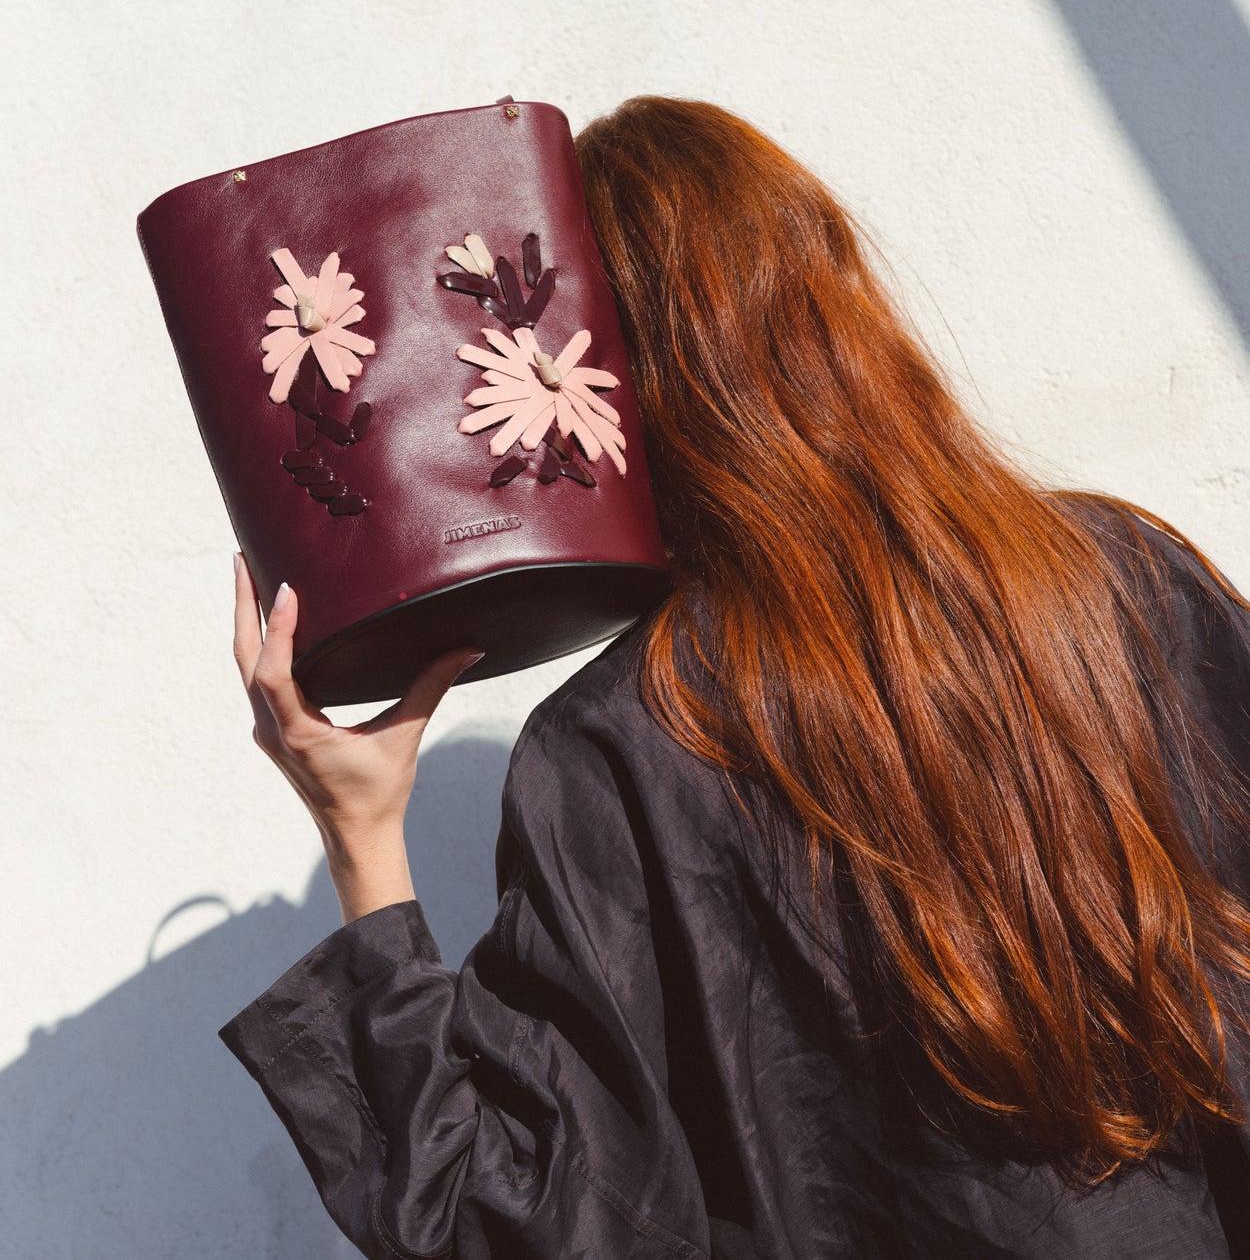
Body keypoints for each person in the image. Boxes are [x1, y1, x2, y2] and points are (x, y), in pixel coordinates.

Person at [220, 96, 1250, 1259]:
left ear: (598, 380)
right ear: (837, 298)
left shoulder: (625, 744)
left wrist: (361, 835)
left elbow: (517, 1222)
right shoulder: (1127, 585)